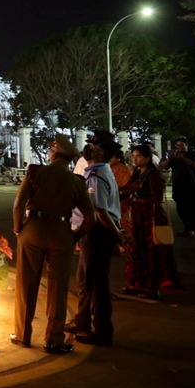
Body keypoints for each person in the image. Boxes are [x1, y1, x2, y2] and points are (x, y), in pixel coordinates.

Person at [11, 134, 93, 354]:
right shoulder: (76, 182)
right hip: (61, 233)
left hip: (33, 229)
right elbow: (89, 217)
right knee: (58, 288)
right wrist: (74, 237)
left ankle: (23, 335)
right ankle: (53, 340)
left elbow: (19, 203)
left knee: (26, 284)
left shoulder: (36, 172)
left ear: (54, 153)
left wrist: (19, 229)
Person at [69, 130, 126, 347]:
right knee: (86, 280)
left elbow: (100, 212)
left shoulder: (96, 176)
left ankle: (101, 331)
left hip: (97, 233)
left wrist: (118, 235)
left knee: (96, 284)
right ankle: (83, 321)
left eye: (93, 145)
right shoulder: (98, 170)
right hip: (97, 232)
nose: (89, 146)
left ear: (101, 151)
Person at [121, 144, 174, 300]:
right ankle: (136, 283)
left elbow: (156, 198)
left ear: (147, 158)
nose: (135, 159)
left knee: (151, 252)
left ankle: (152, 287)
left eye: (138, 156)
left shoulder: (153, 175)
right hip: (137, 217)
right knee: (135, 250)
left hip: (150, 217)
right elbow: (127, 188)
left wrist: (137, 200)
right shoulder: (137, 172)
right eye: (133, 156)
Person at [161, 137, 195, 239]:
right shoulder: (174, 157)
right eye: (177, 145)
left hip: (191, 186)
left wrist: (182, 158)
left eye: (182, 145)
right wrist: (171, 158)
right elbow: (165, 166)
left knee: (194, 210)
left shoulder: (192, 154)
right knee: (181, 209)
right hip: (178, 187)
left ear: (186, 145)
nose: (179, 147)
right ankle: (188, 229)